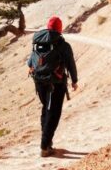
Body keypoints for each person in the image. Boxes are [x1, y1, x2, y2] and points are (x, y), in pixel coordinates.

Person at [27, 16, 78, 157]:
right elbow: (70, 64)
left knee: (46, 109)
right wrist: (74, 80)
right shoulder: (63, 45)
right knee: (54, 113)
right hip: (56, 83)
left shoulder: (38, 41)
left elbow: (30, 62)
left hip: (39, 81)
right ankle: (44, 146)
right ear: (60, 28)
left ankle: (47, 143)